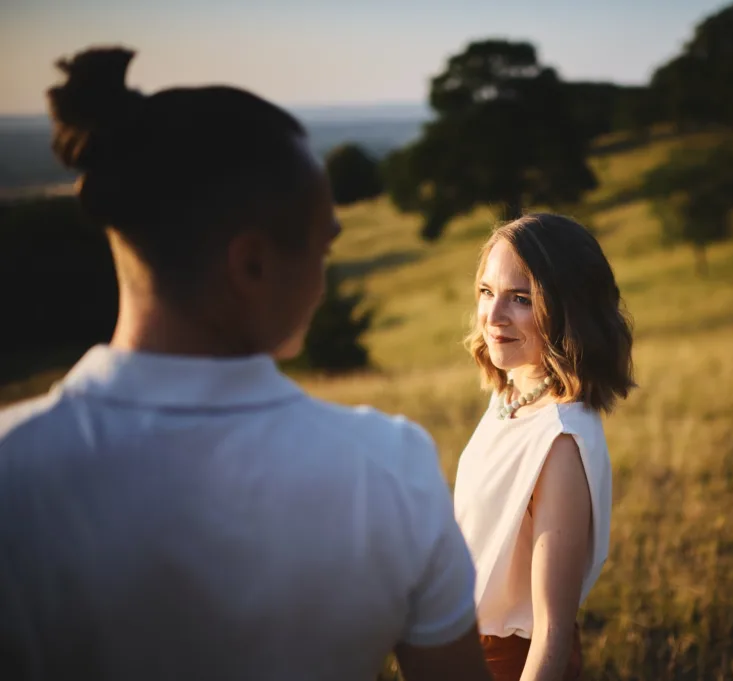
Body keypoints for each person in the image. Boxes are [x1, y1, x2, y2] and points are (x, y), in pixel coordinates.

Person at [0, 47, 491, 681]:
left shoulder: (15, 472)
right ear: (252, 264)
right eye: (323, 245)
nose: (323, 276)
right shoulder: (391, 468)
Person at [453, 214, 635, 680]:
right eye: (487, 292)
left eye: (520, 299)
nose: (493, 317)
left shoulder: (559, 441)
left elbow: (551, 632)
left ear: (566, 308)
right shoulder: (511, 394)